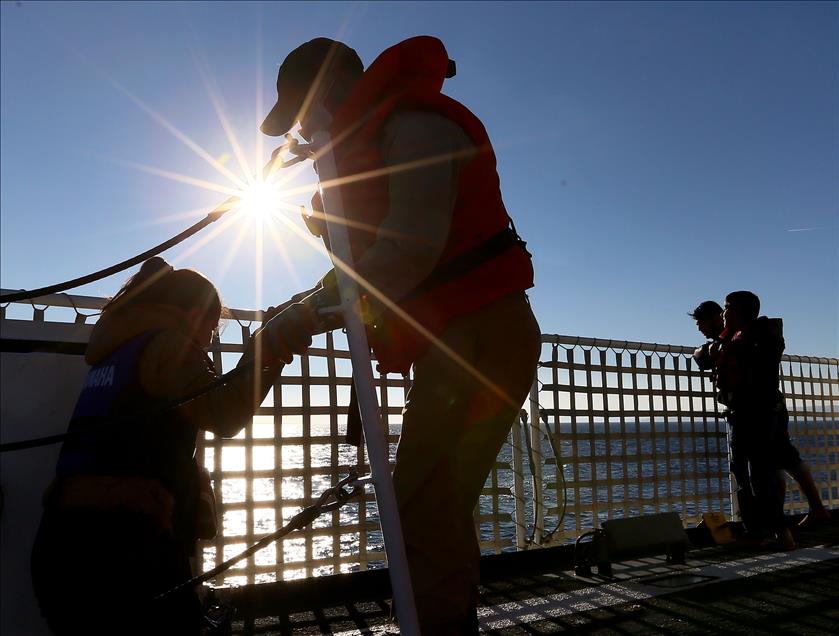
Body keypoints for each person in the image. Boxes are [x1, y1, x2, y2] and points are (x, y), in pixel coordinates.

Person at [261, 37, 541, 634]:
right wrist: (312, 292)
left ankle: (437, 622)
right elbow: (373, 260)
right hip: (455, 339)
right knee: (434, 499)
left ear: (330, 89)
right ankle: (444, 617)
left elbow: (407, 252)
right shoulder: (377, 141)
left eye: (303, 112)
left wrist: (310, 314)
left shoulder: (416, 128)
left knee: (423, 498)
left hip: (485, 333)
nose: (304, 130)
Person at [30, 257, 315, 635]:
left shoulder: (115, 350)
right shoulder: (168, 344)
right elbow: (225, 413)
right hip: (119, 550)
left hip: (61, 543)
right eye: (211, 331)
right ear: (193, 315)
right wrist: (270, 348)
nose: (208, 342)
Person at [690, 297, 829, 535]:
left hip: (757, 411)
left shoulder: (746, 338)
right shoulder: (732, 339)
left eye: (701, 323)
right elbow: (702, 356)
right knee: (776, 461)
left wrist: (719, 351)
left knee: (771, 463)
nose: (700, 329)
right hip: (767, 408)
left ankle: (778, 524)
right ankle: (784, 519)